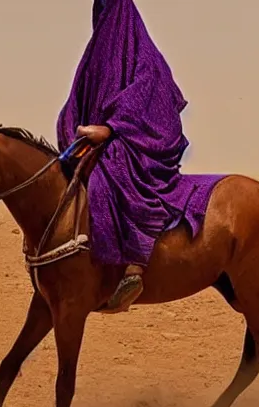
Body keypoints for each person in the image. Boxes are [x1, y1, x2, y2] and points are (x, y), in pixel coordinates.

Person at [56, 0, 223, 313]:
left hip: (141, 145)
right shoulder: (95, 58)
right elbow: (77, 99)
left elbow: (152, 102)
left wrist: (110, 128)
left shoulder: (147, 60)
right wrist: (72, 125)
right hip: (99, 143)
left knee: (107, 179)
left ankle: (130, 267)